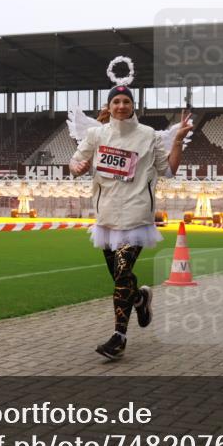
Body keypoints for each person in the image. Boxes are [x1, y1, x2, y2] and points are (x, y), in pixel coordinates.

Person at [69, 84, 193, 360]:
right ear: (110, 106)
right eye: (117, 101)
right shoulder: (95, 134)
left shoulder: (148, 135)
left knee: (123, 274)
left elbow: (168, 171)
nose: (122, 106)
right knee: (119, 279)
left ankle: (119, 338)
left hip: (137, 218)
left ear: (133, 105)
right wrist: (76, 167)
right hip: (107, 219)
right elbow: (76, 161)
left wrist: (177, 142)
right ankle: (139, 299)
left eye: (126, 101)